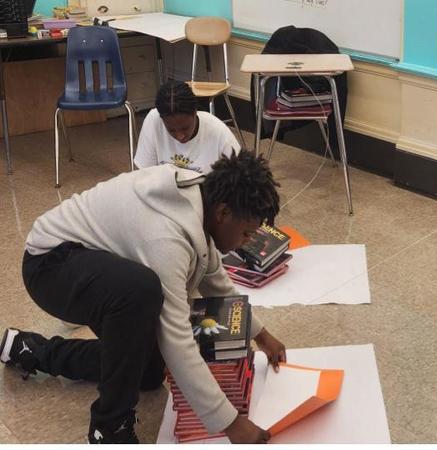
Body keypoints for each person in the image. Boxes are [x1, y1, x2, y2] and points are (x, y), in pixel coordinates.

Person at [1, 150, 285, 444]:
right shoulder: (166, 238)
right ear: (223, 213)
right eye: (247, 234)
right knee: (141, 291)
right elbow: (176, 339)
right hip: (50, 266)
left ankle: (32, 350)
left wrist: (262, 336)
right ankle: (109, 427)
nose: (246, 243)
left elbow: (215, 280)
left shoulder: (204, 199)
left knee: (148, 372)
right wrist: (231, 423)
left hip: (87, 261)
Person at [134, 80, 242, 174]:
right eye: (171, 130)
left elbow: (242, 175)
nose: (180, 136)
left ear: (195, 112)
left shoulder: (217, 130)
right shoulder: (154, 121)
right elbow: (144, 177)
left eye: (185, 128)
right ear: (161, 119)